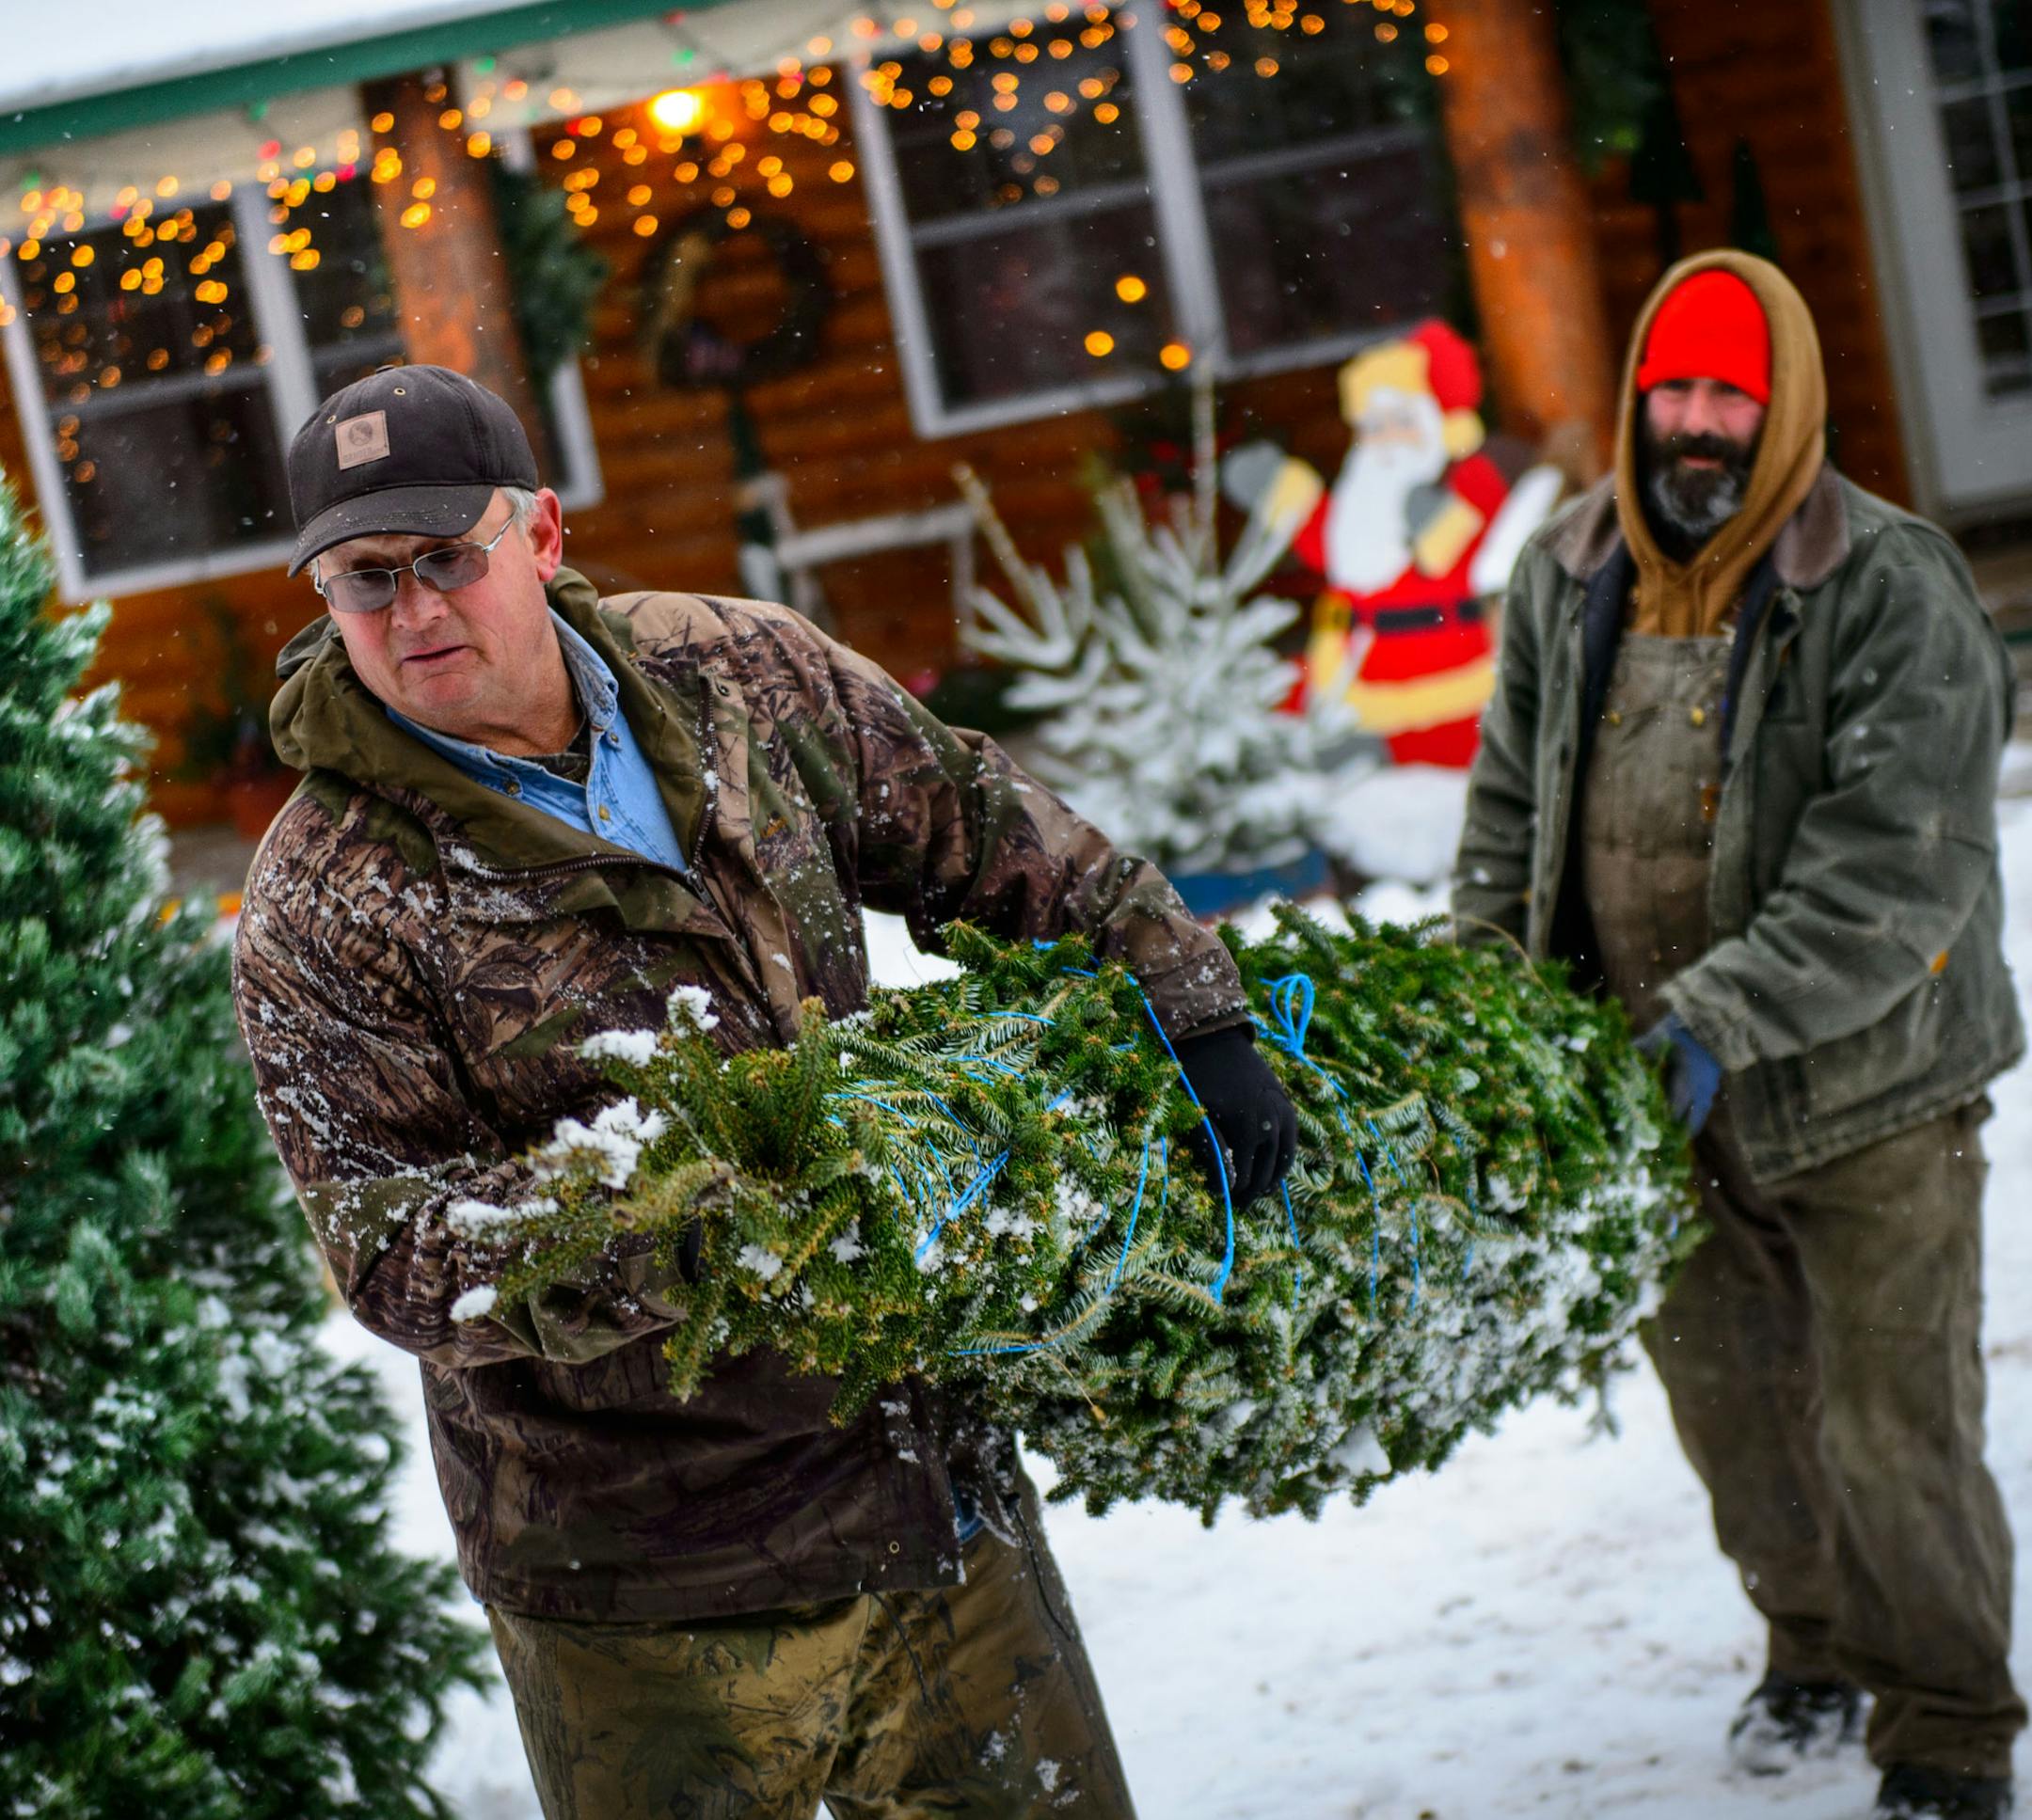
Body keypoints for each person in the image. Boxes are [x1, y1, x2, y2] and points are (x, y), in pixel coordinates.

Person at [230, 363, 1297, 1820]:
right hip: (649, 1599)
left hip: (931, 1502)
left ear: (539, 534)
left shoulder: (738, 676)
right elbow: (393, 1245)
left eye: (446, 558)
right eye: (362, 579)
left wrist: (1192, 1007)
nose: (412, 611)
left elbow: (980, 823)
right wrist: (696, 1231)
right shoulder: (322, 895)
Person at [1452, 251, 2024, 1820]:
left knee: (1890, 1426)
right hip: (1647, 1099)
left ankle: (1952, 1734)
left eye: (1731, 396)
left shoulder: (1889, 585)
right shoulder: (1567, 576)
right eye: (1674, 391)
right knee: (1735, 1409)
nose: (1697, 425)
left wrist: (1721, 1016)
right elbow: (1509, 822)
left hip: (1872, 1093)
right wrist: (1489, 1019)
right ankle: (1815, 1650)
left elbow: (1899, 865)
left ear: (1785, 411)